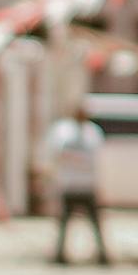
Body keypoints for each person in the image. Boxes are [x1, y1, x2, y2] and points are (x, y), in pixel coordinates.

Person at [44, 108, 110, 266]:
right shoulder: (64, 130)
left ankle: (102, 254)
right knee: (64, 223)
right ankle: (60, 254)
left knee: (95, 223)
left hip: (87, 185)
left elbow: (97, 159)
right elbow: (58, 153)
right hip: (69, 184)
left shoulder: (92, 131)